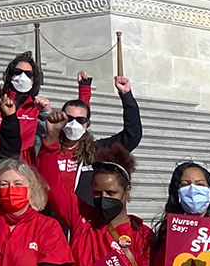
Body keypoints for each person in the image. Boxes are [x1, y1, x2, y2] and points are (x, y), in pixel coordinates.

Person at [49, 144, 152, 266]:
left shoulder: (143, 235)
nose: (104, 198)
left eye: (111, 193)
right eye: (97, 193)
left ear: (127, 191)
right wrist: (51, 142)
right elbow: (53, 185)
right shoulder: (82, 218)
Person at [36, 75, 141, 207]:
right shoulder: (46, 147)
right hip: (49, 217)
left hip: (83, 218)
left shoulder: (96, 151)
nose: (74, 124)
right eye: (69, 119)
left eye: (80, 120)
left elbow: (132, 136)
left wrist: (126, 96)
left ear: (87, 124)